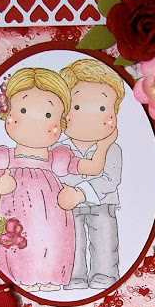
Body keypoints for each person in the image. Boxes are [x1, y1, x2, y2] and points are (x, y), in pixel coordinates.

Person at [0, 66, 116, 292]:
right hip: (17, 214)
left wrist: (104, 146)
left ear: (61, 121)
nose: (36, 122)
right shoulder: (3, 157)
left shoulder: (57, 158)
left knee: (52, 239)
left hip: (53, 216)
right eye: (23, 110)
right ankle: (22, 277)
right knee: (21, 243)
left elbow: (93, 168)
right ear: (7, 113)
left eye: (48, 115)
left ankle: (50, 277)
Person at [58, 58, 125, 290]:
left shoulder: (112, 149)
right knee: (72, 240)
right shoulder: (60, 149)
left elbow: (110, 180)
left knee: (105, 240)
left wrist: (81, 192)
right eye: (78, 108)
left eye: (103, 108)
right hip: (69, 209)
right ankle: (73, 276)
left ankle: (104, 275)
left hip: (103, 205)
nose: (92, 116)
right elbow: (58, 175)